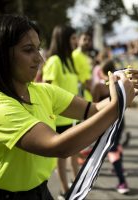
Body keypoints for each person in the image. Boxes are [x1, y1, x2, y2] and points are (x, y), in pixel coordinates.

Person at [0, 14, 138, 199]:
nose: (39, 59)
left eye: (38, 49)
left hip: (41, 191)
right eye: (28, 50)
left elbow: (94, 109)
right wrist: (116, 105)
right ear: (2, 54)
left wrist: (124, 92)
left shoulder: (43, 92)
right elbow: (57, 146)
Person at [42, 24, 79, 197]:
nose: (76, 41)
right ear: (64, 40)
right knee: (62, 159)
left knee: (74, 155)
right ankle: (65, 191)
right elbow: (45, 90)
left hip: (72, 118)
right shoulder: (54, 61)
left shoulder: (70, 61)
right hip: (59, 121)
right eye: (73, 38)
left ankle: (77, 183)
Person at [91, 60, 130, 194]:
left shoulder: (98, 87)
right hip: (120, 119)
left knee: (110, 150)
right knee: (115, 146)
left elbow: (94, 106)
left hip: (106, 122)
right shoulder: (120, 84)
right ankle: (119, 170)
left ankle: (122, 182)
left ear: (102, 72)